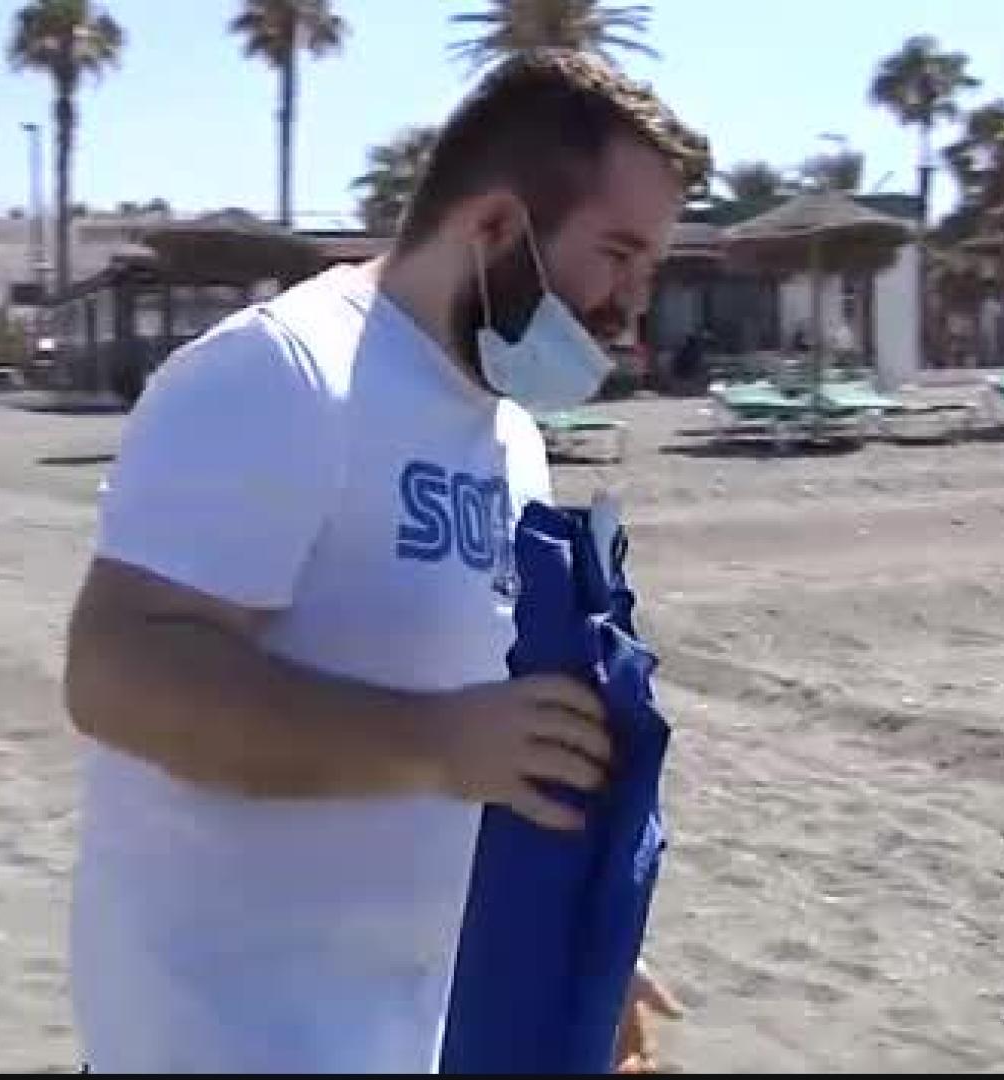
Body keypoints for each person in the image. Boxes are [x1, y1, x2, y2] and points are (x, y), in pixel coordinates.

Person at [61, 49, 702, 1074]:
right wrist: (437, 742)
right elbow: (116, 671)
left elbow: (490, 741)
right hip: (214, 1038)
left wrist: (574, 958)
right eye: (615, 256)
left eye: (650, 270)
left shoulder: (508, 435)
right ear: (493, 226)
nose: (633, 308)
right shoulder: (279, 374)